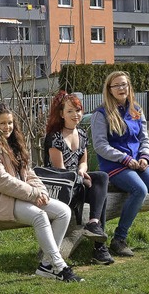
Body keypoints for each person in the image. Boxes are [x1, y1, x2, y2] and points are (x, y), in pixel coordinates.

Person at [0, 103, 83, 282]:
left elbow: (28, 173)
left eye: (10, 123)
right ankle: (60, 267)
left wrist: (41, 191)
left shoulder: (14, 143)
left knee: (63, 211)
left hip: (19, 195)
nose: (7, 127)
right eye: (2, 123)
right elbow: (1, 181)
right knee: (39, 215)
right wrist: (33, 194)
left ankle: (46, 266)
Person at [90, 71, 149, 257]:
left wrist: (144, 156)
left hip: (137, 163)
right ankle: (119, 239)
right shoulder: (101, 114)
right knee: (139, 189)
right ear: (109, 89)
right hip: (115, 166)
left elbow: (144, 139)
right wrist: (124, 159)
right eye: (117, 85)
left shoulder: (136, 110)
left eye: (124, 84)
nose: (122, 88)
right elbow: (100, 146)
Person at [44, 91, 114, 265]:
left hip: (77, 183)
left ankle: (93, 223)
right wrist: (80, 178)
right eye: (70, 111)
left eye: (78, 110)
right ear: (61, 114)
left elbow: (83, 162)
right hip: (60, 189)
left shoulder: (82, 134)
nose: (76, 115)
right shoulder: (54, 137)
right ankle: (99, 249)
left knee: (102, 178)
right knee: (101, 195)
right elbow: (60, 171)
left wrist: (82, 172)